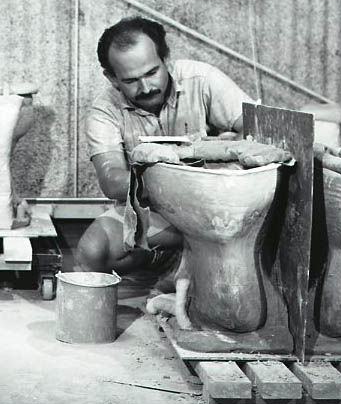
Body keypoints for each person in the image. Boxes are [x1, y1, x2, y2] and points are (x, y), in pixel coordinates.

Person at [75, 16, 258, 275]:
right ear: (112, 78)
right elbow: (112, 181)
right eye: (130, 80)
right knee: (93, 251)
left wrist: (211, 150)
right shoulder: (104, 111)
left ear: (166, 59)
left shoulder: (201, 79)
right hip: (156, 211)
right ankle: (180, 261)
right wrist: (172, 176)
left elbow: (258, 129)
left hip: (214, 206)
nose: (146, 87)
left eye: (152, 72)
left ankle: (192, 262)